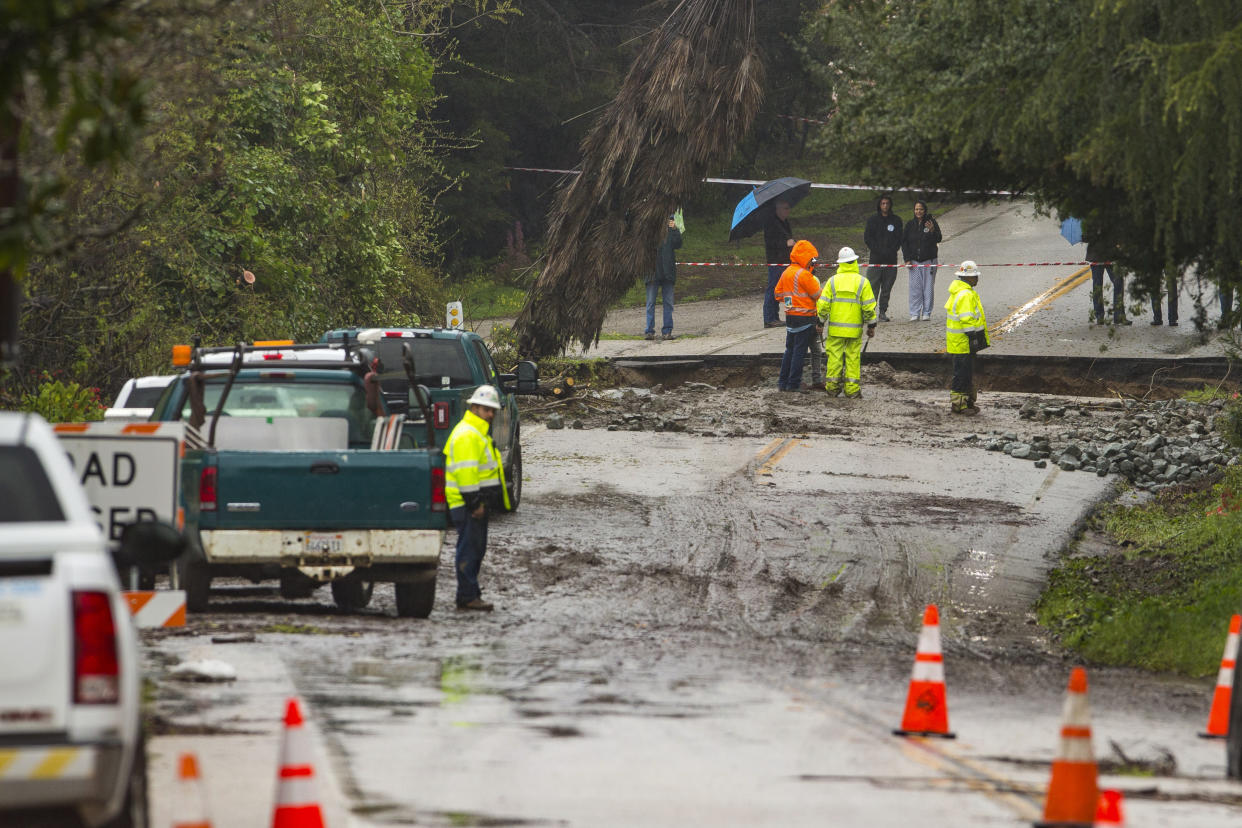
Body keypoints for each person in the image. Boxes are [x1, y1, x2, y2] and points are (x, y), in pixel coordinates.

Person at [443, 385, 509, 611]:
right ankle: (467, 596)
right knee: (469, 550)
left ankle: (471, 594)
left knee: (474, 549)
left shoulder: (475, 433)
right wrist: (475, 504)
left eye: (493, 411)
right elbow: (466, 474)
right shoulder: (468, 435)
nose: (491, 415)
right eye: (487, 410)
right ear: (475, 407)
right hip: (469, 505)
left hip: (474, 503)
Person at [816, 246, 877, 398]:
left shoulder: (832, 282)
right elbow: (869, 308)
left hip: (836, 330)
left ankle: (832, 388)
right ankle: (852, 390)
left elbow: (823, 305)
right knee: (852, 358)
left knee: (834, 358)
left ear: (840, 264)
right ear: (855, 261)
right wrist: (871, 325)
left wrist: (820, 322)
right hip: (854, 331)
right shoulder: (863, 282)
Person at [774, 240, 823, 392]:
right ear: (806, 257)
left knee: (789, 350)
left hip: (790, 317)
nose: (813, 261)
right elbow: (818, 295)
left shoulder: (786, 272)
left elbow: (777, 294)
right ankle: (794, 384)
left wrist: (791, 300)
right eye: (812, 258)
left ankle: (783, 383)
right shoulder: (804, 275)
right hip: (805, 318)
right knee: (799, 352)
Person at [945, 260, 989, 415]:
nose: (977, 279)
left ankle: (967, 402)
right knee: (961, 375)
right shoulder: (965, 295)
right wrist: (973, 337)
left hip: (960, 342)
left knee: (965, 373)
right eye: (975, 276)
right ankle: (959, 405)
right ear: (968, 278)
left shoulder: (963, 292)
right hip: (963, 343)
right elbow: (966, 319)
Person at [862, 194, 903, 322]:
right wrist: (878, 250)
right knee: (872, 288)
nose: (885, 206)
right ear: (879, 205)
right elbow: (868, 238)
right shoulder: (872, 220)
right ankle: (869, 313)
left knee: (886, 289)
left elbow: (899, 238)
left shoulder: (896, 220)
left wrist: (891, 250)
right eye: (882, 203)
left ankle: (882, 312)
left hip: (890, 261)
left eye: (887, 203)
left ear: (890, 205)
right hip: (875, 260)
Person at [902, 201, 942, 322]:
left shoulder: (931, 222)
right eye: (916, 209)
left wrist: (932, 231)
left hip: (929, 261)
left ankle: (926, 313)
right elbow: (904, 243)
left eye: (921, 209)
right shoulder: (910, 224)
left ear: (925, 211)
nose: (918, 212)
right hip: (914, 261)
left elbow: (939, 238)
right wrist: (907, 259)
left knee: (928, 288)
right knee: (915, 288)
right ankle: (914, 313)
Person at [645, 215, 682, 340]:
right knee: (650, 303)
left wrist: (675, 229)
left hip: (668, 273)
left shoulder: (671, 231)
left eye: (669, 219)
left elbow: (678, 244)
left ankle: (667, 331)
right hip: (652, 273)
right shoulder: (649, 231)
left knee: (668, 303)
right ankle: (649, 331)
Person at [1085, 234, 1132, 325]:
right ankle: (1099, 316)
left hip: (1112, 256)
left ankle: (1119, 315)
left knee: (1119, 283)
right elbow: (1084, 237)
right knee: (1097, 286)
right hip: (1096, 256)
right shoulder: (1090, 221)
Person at [763, 200, 795, 328]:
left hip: (785, 260)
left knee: (785, 289)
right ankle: (769, 318)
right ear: (778, 209)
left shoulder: (784, 222)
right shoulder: (771, 223)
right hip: (776, 262)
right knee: (773, 289)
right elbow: (770, 243)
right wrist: (785, 244)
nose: (788, 210)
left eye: (788, 208)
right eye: (786, 208)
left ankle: (781, 315)